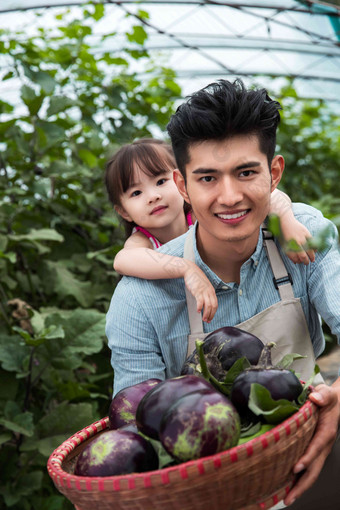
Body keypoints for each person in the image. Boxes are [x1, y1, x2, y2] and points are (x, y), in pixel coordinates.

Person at [106, 79, 340, 509]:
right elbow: (137, 424)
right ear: (182, 185)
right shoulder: (139, 297)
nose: (230, 197)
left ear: (274, 174)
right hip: (212, 488)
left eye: (247, 172)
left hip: (316, 440)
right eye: (208, 177)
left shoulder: (302, 235)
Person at [105, 138, 314, 323]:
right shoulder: (143, 241)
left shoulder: (200, 214)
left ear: (182, 183)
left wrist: (287, 221)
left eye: (161, 182)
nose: (153, 196)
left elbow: (272, 194)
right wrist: (186, 268)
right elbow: (123, 260)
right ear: (124, 211)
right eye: (136, 193)